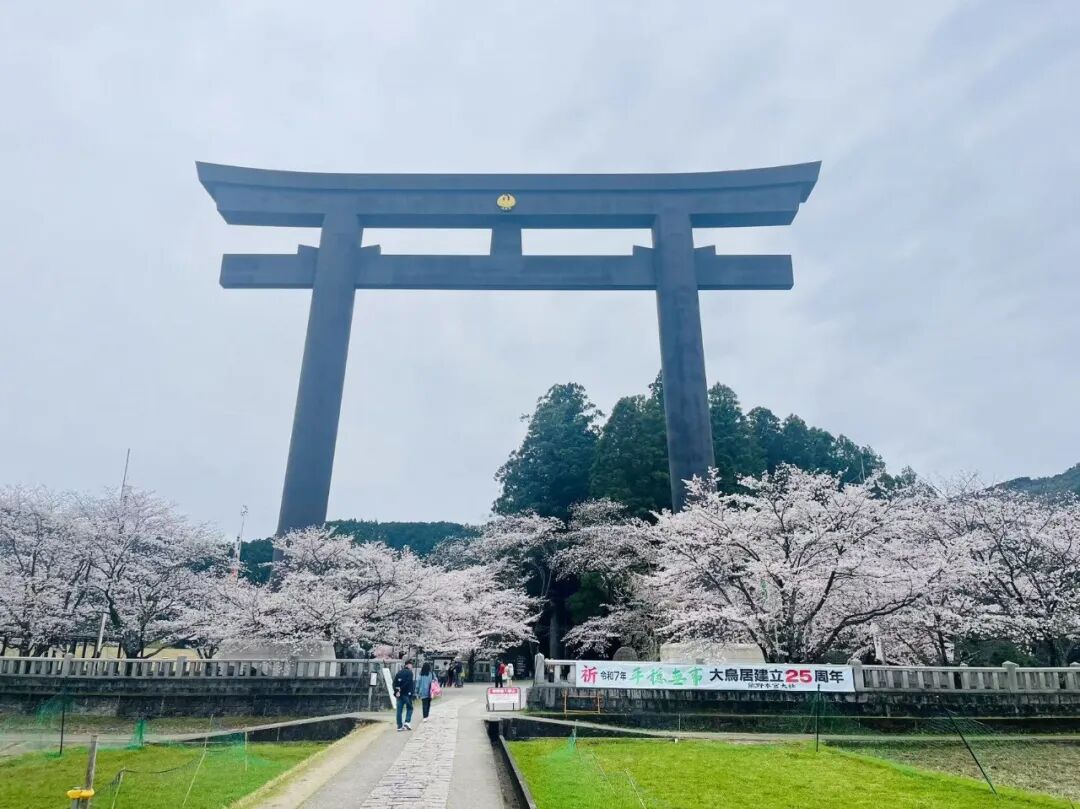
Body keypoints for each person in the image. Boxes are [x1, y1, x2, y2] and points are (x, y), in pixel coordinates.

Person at [392, 661, 415, 731]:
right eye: (411, 665)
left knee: (399, 710)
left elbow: (394, 683)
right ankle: (407, 722)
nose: (412, 667)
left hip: (399, 695)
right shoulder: (410, 673)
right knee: (410, 708)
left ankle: (399, 726)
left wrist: (396, 691)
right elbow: (408, 683)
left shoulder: (399, 672)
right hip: (407, 694)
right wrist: (401, 689)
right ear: (408, 665)